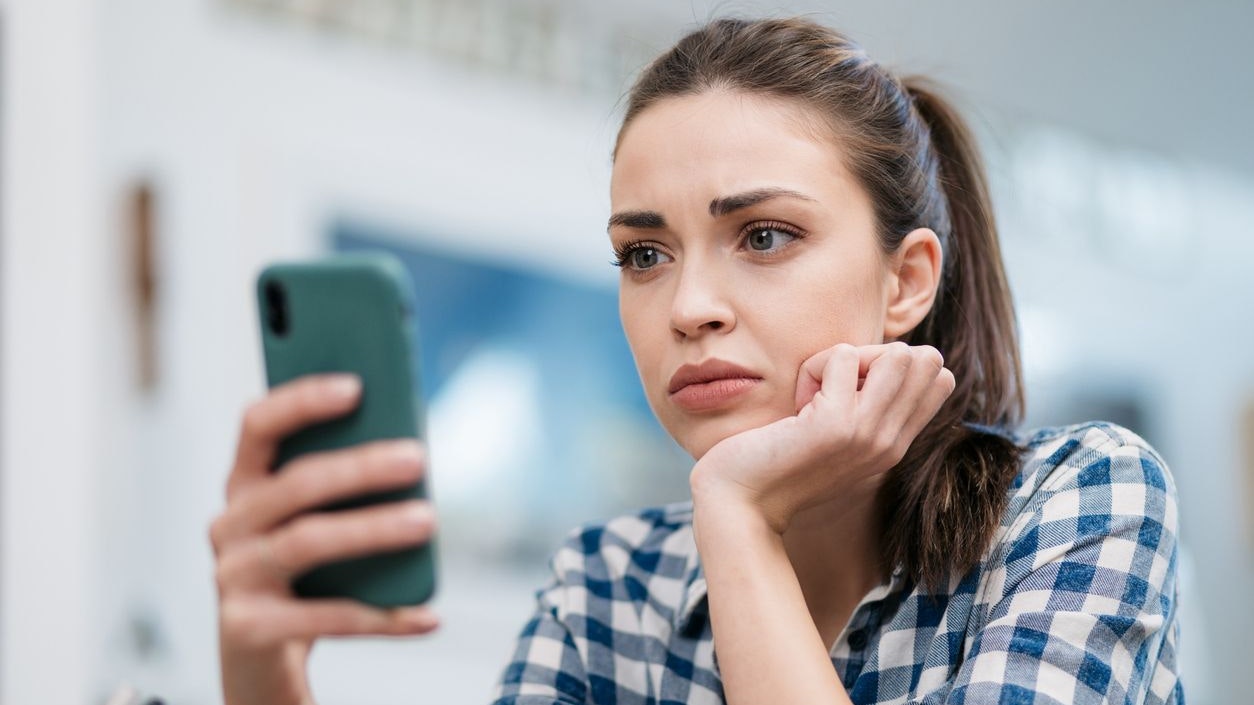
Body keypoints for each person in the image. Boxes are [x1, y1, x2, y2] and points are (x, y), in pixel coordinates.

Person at [209, 16, 1183, 705]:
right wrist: (267, 681)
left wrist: (740, 519)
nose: (687, 308)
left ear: (906, 282)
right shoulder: (608, 586)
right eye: (644, 254)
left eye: (763, 237)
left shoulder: (1081, 502)